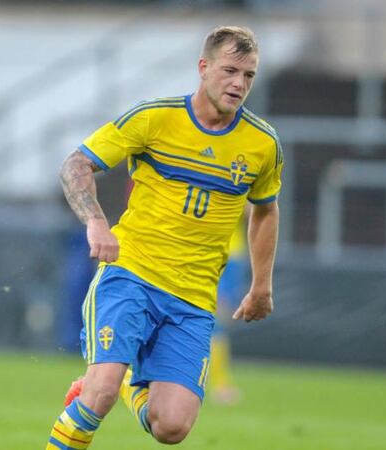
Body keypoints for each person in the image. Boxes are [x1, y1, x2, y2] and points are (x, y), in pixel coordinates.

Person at [47, 25, 282, 448]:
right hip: (131, 274)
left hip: (192, 297)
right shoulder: (155, 117)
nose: (239, 84)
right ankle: (108, 383)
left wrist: (261, 285)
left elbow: (265, 211)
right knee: (96, 395)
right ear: (203, 67)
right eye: (230, 71)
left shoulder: (262, 144)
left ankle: (123, 384)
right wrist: (96, 221)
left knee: (171, 427)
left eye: (249, 76)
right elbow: (75, 165)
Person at [209, 215, 249, 405]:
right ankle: (221, 386)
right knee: (216, 322)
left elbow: (259, 208)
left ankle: (219, 384)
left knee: (220, 321)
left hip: (234, 256)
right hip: (214, 254)